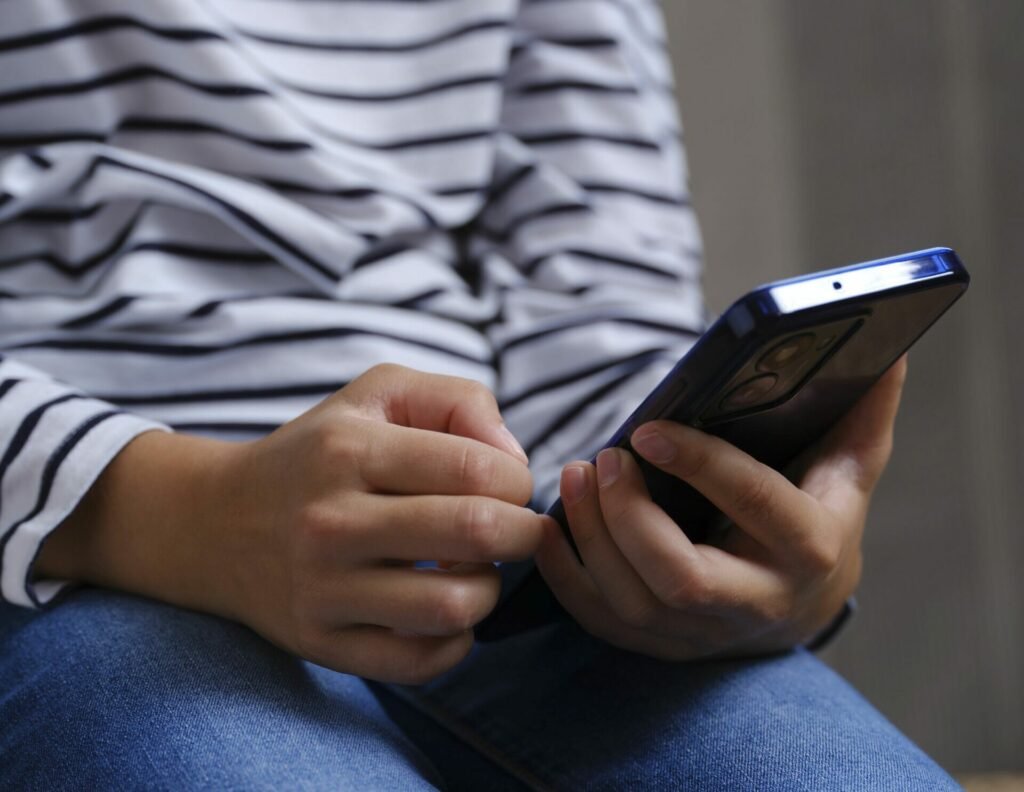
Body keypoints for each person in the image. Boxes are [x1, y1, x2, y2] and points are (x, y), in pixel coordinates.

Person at [0, 1, 959, 788]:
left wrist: (704, 541)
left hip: (494, 562)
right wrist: (178, 514)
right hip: (65, 557)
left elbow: (596, 305)